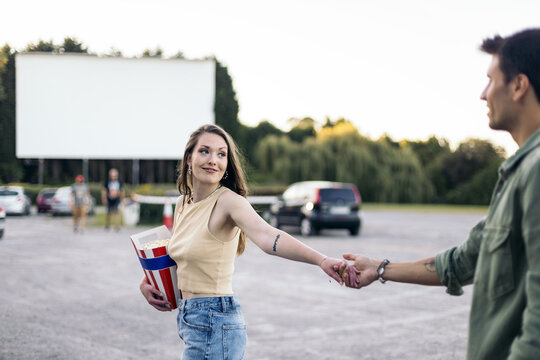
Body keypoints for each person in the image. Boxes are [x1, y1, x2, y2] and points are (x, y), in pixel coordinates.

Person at [339, 28, 540, 360]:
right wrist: (380, 268)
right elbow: (461, 262)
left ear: (519, 86)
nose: (482, 94)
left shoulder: (535, 171)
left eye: (491, 80)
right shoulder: (519, 172)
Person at [139, 124, 359, 359]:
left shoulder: (228, 202)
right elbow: (181, 253)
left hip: (215, 321)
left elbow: (267, 236)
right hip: (191, 319)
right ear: (188, 159)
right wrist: (148, 281)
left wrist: (321, 260)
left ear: (226, 165)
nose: (213, 159)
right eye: (204, 151)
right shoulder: (183, 203)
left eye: (221, 154)